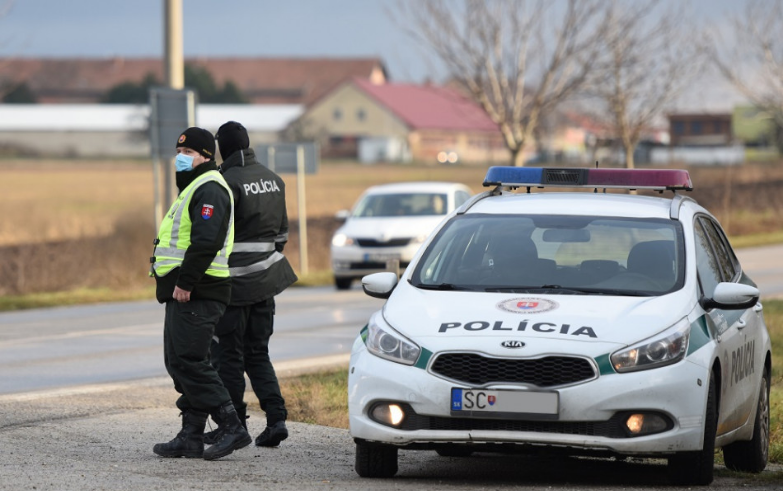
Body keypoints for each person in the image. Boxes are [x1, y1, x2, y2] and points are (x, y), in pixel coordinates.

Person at [150, 127, 252, 460]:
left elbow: (206, 241)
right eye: (180, 153)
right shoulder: (194, 186)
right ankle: (191, 435)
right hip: (185, 291)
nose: (181, 158)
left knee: (191, 361)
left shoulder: (210, 189)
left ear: (207, 156)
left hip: (198, 290)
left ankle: (232, 425)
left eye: (189, 153)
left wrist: (186, 282)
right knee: (179, 361)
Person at [204, 121, 298, 448]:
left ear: (222, 149)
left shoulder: (225, 183)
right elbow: (282, 237)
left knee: (228, 356)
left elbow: (213, 238)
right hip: (266, 282)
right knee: (258, 353)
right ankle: (277, 420)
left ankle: (236, 424)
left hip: (234, 286)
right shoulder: (274, 180)